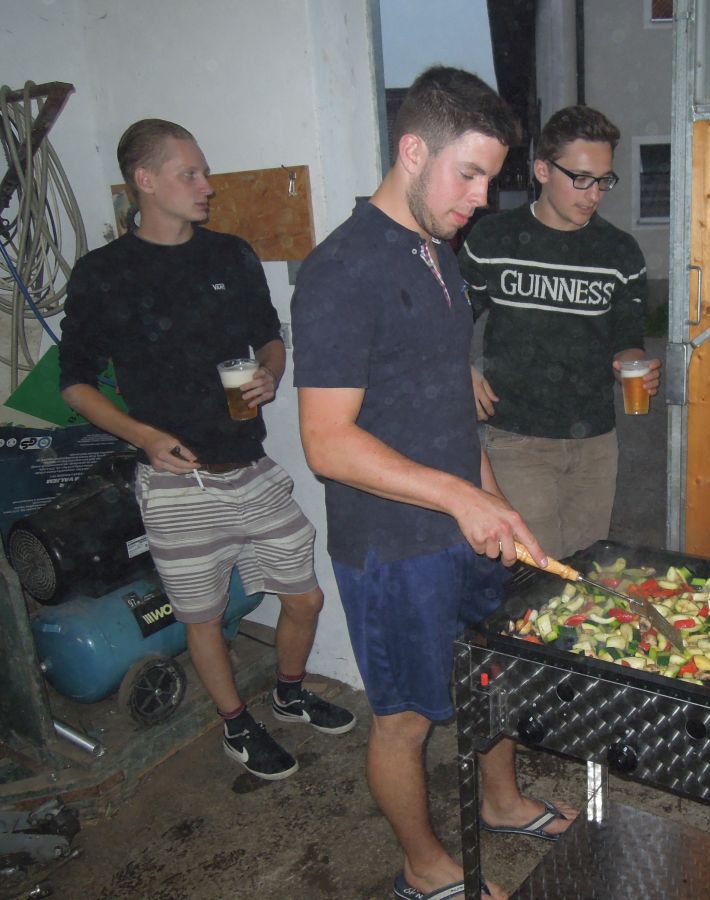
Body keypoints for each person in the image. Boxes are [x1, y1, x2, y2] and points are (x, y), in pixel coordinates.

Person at [292, 68, 575, 900]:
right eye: (470, 174)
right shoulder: (342, 270)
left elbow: (450, 405)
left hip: (461, 528)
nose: (482, 197)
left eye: (491, 178)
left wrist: (495, 502)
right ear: (414, 152)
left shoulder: (438, 253)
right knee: (406, 718)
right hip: (392, 548)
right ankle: (424, 869)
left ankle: (502, 802)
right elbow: (326, 443)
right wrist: (460, 498)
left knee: (493, 672)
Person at [59, 118, 354, 782]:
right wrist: (143, 436)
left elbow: (269, 335)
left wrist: (271, 371)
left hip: (249, 468)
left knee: (305, 597)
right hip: (175, 482)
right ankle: (236, 726)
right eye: (189, 173)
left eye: (205, 172)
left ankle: (287, 691)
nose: (207, 186)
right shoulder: (104, 274)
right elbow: (74, 383)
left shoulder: (230, 255)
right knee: (204, 615)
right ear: (144, 180)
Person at [458, 105, 661, 561]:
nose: (594, 195)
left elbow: (627, 339)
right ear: (543, 170)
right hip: (517, 439)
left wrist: (635, 365)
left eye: (604, 181)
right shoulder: (493, 239)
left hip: (595, 442)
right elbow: (444, 318)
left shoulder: (620, 252)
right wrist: (458, 368)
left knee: (587, 569)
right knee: (538, 569)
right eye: (581, 179)